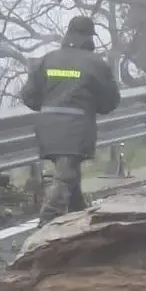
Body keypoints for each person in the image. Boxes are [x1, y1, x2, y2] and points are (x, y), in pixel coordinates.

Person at [20, 15, 121, 223]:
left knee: (71, 177)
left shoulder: (48, 59)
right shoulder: (95, 64)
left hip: (47, 126)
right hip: (76, 128)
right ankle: (46, 224)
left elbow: (28, 95)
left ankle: (80, 220)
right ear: (89, 37)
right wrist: (93, 107)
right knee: (65, 178)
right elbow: (110, 101)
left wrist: (50, 108)